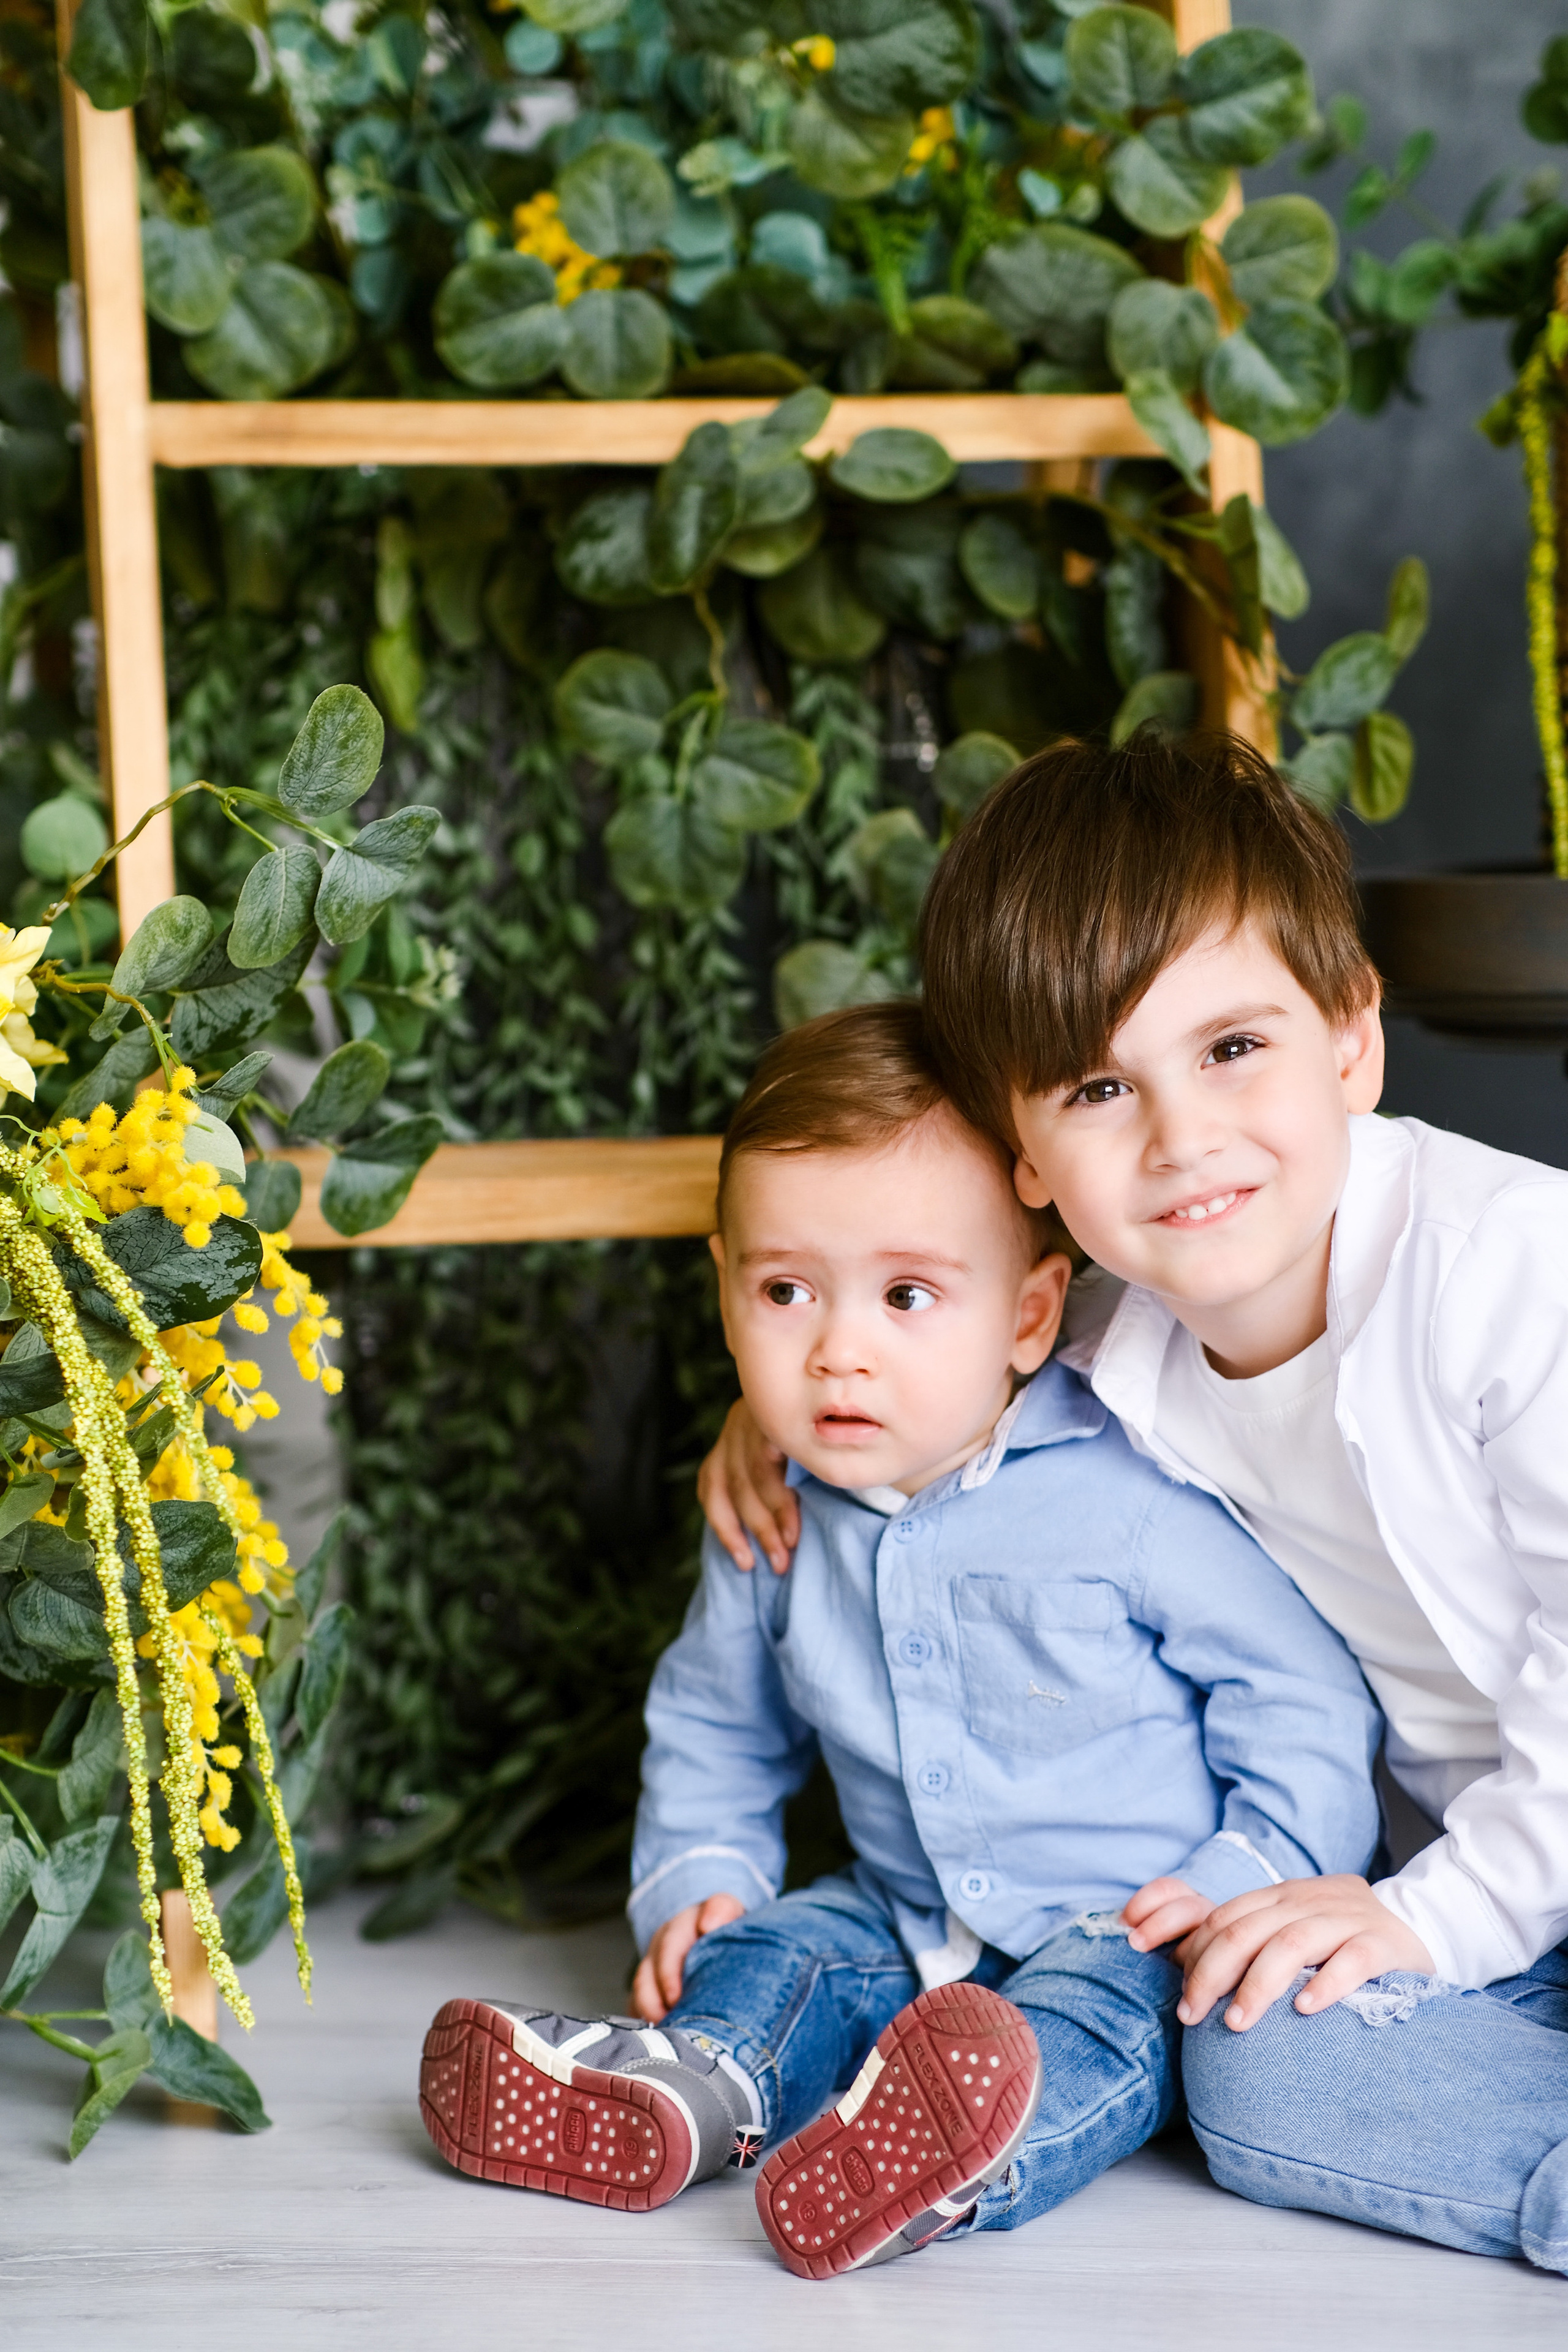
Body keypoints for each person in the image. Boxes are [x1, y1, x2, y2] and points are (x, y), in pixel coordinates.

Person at [699, 729, 1568, 2277]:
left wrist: (1443, 1922)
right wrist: (778, 1422)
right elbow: (932, 1374)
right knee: (1248, 2050)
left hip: (1517, 1859)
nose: (1180, 1141)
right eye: (1099, 1086)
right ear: (1023, 1153)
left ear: (1352, 1041)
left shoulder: (1511, 1276)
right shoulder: (1112, 1345)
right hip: (1496, 1878)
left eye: (1232, 1049)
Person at [419, 1000, 1379, 2282]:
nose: (836, 1353)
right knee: (786, 1953)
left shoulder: (1128, 1495)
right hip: (902, 1907)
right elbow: (714, 1718)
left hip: (1131, 1929)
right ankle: (688, 2090)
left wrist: (1242, 1874)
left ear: (1030, 1318)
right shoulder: (770, 1516)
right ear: (725, 1290)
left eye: (907, 1295)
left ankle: (946, 2167)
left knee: (1099, 2036)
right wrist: (703, 1873)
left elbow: (1301, 1700)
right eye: (784, 1292)